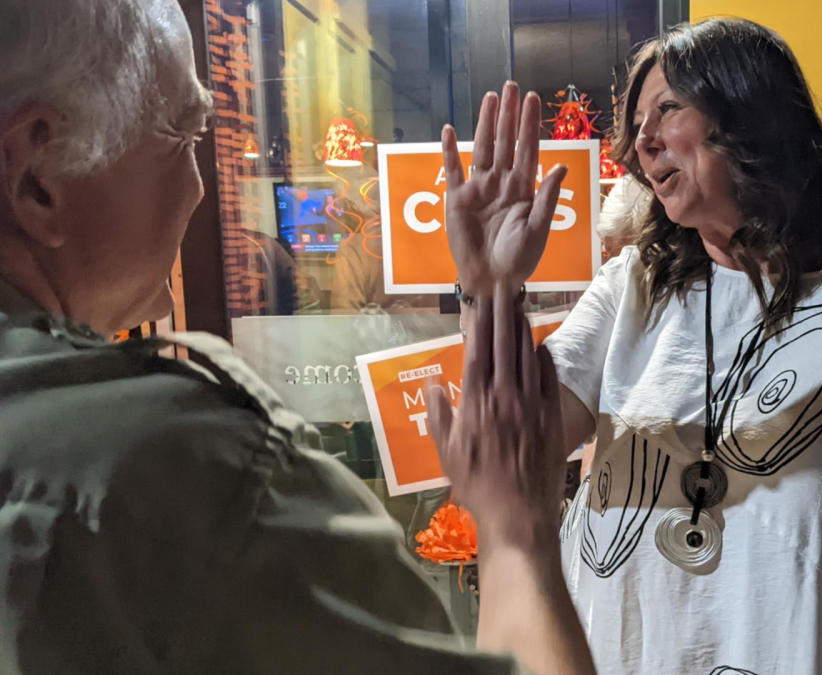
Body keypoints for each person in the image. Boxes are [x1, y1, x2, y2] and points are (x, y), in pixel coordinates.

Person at [0, 2, 595, 674]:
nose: (200, 191)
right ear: (36, 176)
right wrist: (517, 528)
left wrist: (489, 295)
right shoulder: (197, 474)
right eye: (187, 137)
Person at [444, 18, 822, 675]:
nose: (641, 141)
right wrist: (490, 289)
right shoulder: (634, 284)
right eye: (636, 122)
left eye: (667, 109)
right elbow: (511, 442)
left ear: (751, 114)